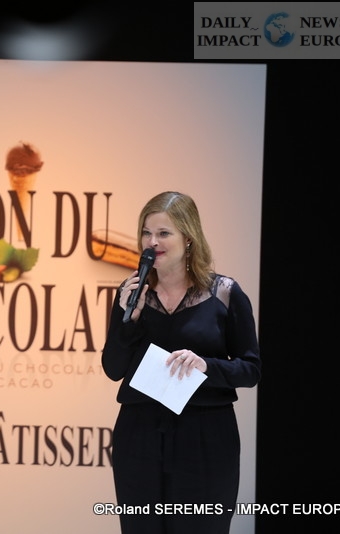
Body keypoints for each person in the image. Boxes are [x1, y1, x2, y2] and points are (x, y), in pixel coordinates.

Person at [101, 191, 261, 534]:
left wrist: (206, 366)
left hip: (205, 436)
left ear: (189, 238)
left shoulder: (224, 293)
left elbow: (250, 370)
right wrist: (130, 319)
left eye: (163, 233)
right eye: (146, 233)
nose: (152, 242)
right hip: (140, 434)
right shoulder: (131, 292)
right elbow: (113, 368)